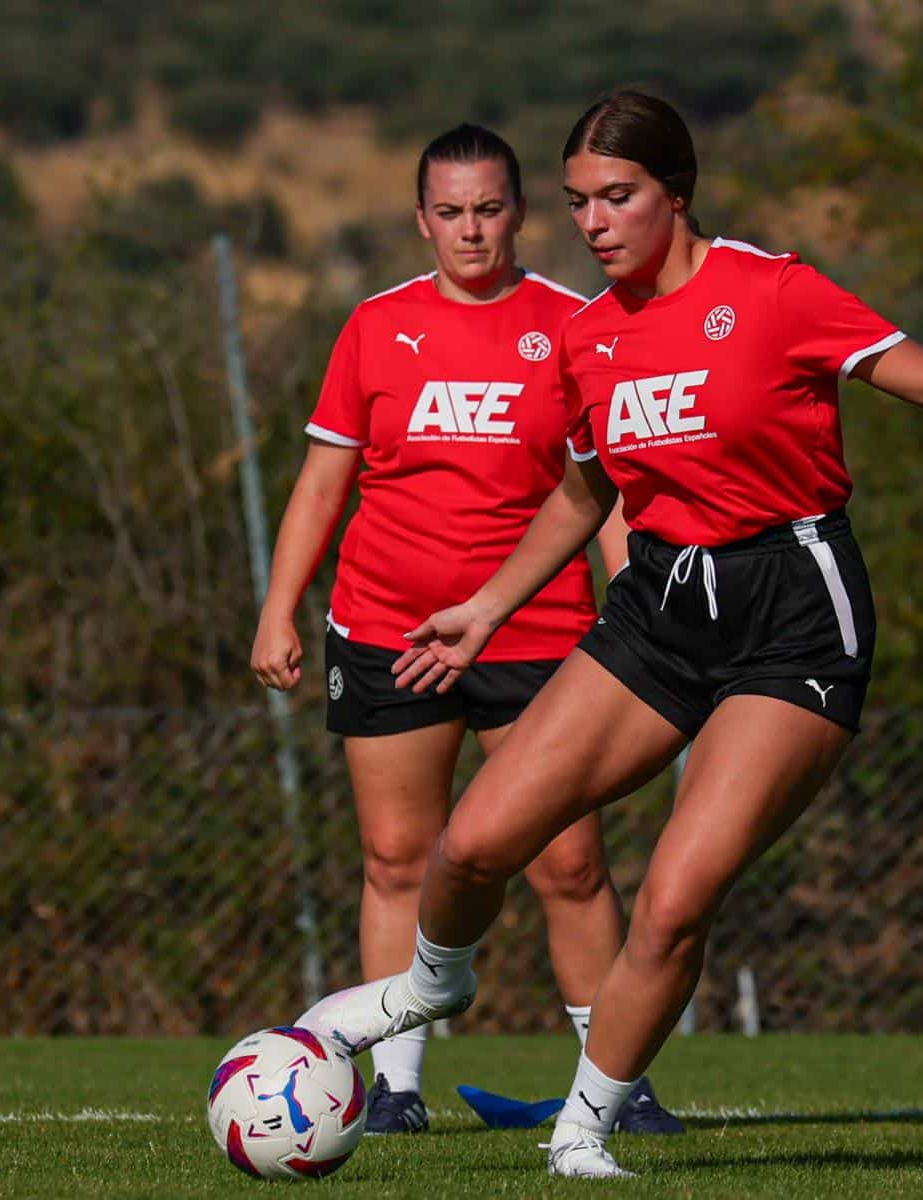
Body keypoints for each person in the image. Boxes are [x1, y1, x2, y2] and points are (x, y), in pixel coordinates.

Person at [296, 92, 923, 1176]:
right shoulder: (587, 336)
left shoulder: (771, 291)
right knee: (473, 845)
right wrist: (488, 608)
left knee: (673, 899)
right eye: (577, 202)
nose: (594, 222)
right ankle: (433, 986)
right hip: (661, 609)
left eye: (618, 196)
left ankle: (585, 1130)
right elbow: (585, 489)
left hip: (791, 619)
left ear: (676, 192)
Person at [251, 122, 683, 1137]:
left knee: (569, 866)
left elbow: (604, 490)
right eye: (450, 212)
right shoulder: (375, 326)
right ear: (421, 220)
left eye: (489, 209)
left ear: (521, 212)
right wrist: (277, 609)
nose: (471, 231)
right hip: (386, 631)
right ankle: (396, 1089)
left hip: (541, 637)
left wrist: (639, 602)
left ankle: (616, 1090)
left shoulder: (575, 325)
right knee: (397, 859)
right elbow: (324, 482)